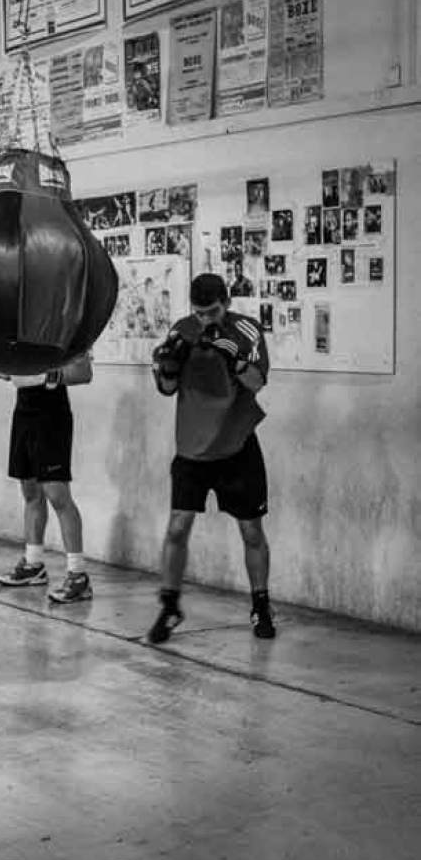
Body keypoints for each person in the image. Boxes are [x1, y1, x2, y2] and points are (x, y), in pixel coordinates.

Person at [149, 273, 275, 643]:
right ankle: (170, 607)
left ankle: (261, 606)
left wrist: (234, 360)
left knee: (251, 529)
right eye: (199, 313)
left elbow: (257, 382)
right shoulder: (182, 329)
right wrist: (168, 367)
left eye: (213, 311)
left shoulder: (246, 330)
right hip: (192, 449)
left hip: (236, 444)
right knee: (177, 527)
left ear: (227, 303)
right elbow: (167, 389)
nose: (205, 319)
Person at [0, 354, 94, 604]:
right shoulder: (23, 336)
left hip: (52, 411)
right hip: (24, 409)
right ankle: (33, 564)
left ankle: (78, 575)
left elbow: (84, 373)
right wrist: (9, 369)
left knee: (57, 494)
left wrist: (51, 375)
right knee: (30, 491)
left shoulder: (63, 329)